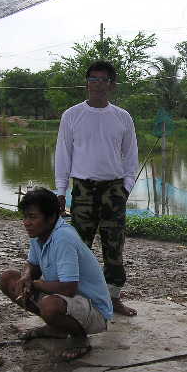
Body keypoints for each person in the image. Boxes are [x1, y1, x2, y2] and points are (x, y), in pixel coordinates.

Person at [54, 60, 139, 316]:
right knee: (80, 246)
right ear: (86, 83)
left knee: (114, 245)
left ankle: (113, 297)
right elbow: (63, 154)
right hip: (83, 190)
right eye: (93, 79)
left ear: (112, 85)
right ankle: (80, 299)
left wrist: (125, 188)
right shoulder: (72, 115)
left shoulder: (122, 117)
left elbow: (130, 156)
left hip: (113, 189)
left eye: (104, 80)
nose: (98, 85)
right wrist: (61, 190)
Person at [0, 188, 113, 361]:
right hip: (68, 300)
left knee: (49, 306)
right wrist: (26, 277)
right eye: (25, 217)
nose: (26, 223)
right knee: (8, 279)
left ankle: (79, 338)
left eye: (33, 217)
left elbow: (69, 288)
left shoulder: (63, 238)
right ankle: (58, 328)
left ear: (51, 217)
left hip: (94, 310)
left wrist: (35, 284)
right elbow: (32, 264)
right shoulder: (39, 233)